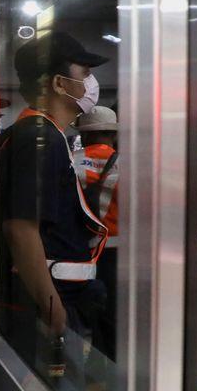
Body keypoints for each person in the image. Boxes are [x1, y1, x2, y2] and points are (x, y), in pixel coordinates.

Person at [0, 30, 108, 391]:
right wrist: (52, 306)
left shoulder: (52, 137)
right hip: (51, 298)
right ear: (54, 82)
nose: (90, 83)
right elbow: (22, 227)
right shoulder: (38, 138)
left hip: (61, 293)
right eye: (82, 72)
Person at [72, 105, 119, 364]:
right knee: (111, 318)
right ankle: (104, 370)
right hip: (115, 254)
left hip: (77, 252)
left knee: (77, 315)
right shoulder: (129, 164)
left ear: (85, 134)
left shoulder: (70, 159)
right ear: (112, 135)